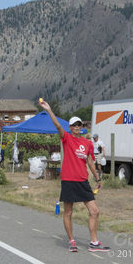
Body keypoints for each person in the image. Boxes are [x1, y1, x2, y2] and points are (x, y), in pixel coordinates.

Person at [39, 100, 109, 253]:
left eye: (80, 125)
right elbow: (58, 126)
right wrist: (49, 110)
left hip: (83, 181)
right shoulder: (67, 138)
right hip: (69, 181)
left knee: (94, 211)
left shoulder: (87, 143)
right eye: (74, 125)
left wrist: (97, 178)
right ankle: (71, 240)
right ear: (70, 128)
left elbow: (90, 162)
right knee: (68, 212)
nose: (77, 127)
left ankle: (94, 242)